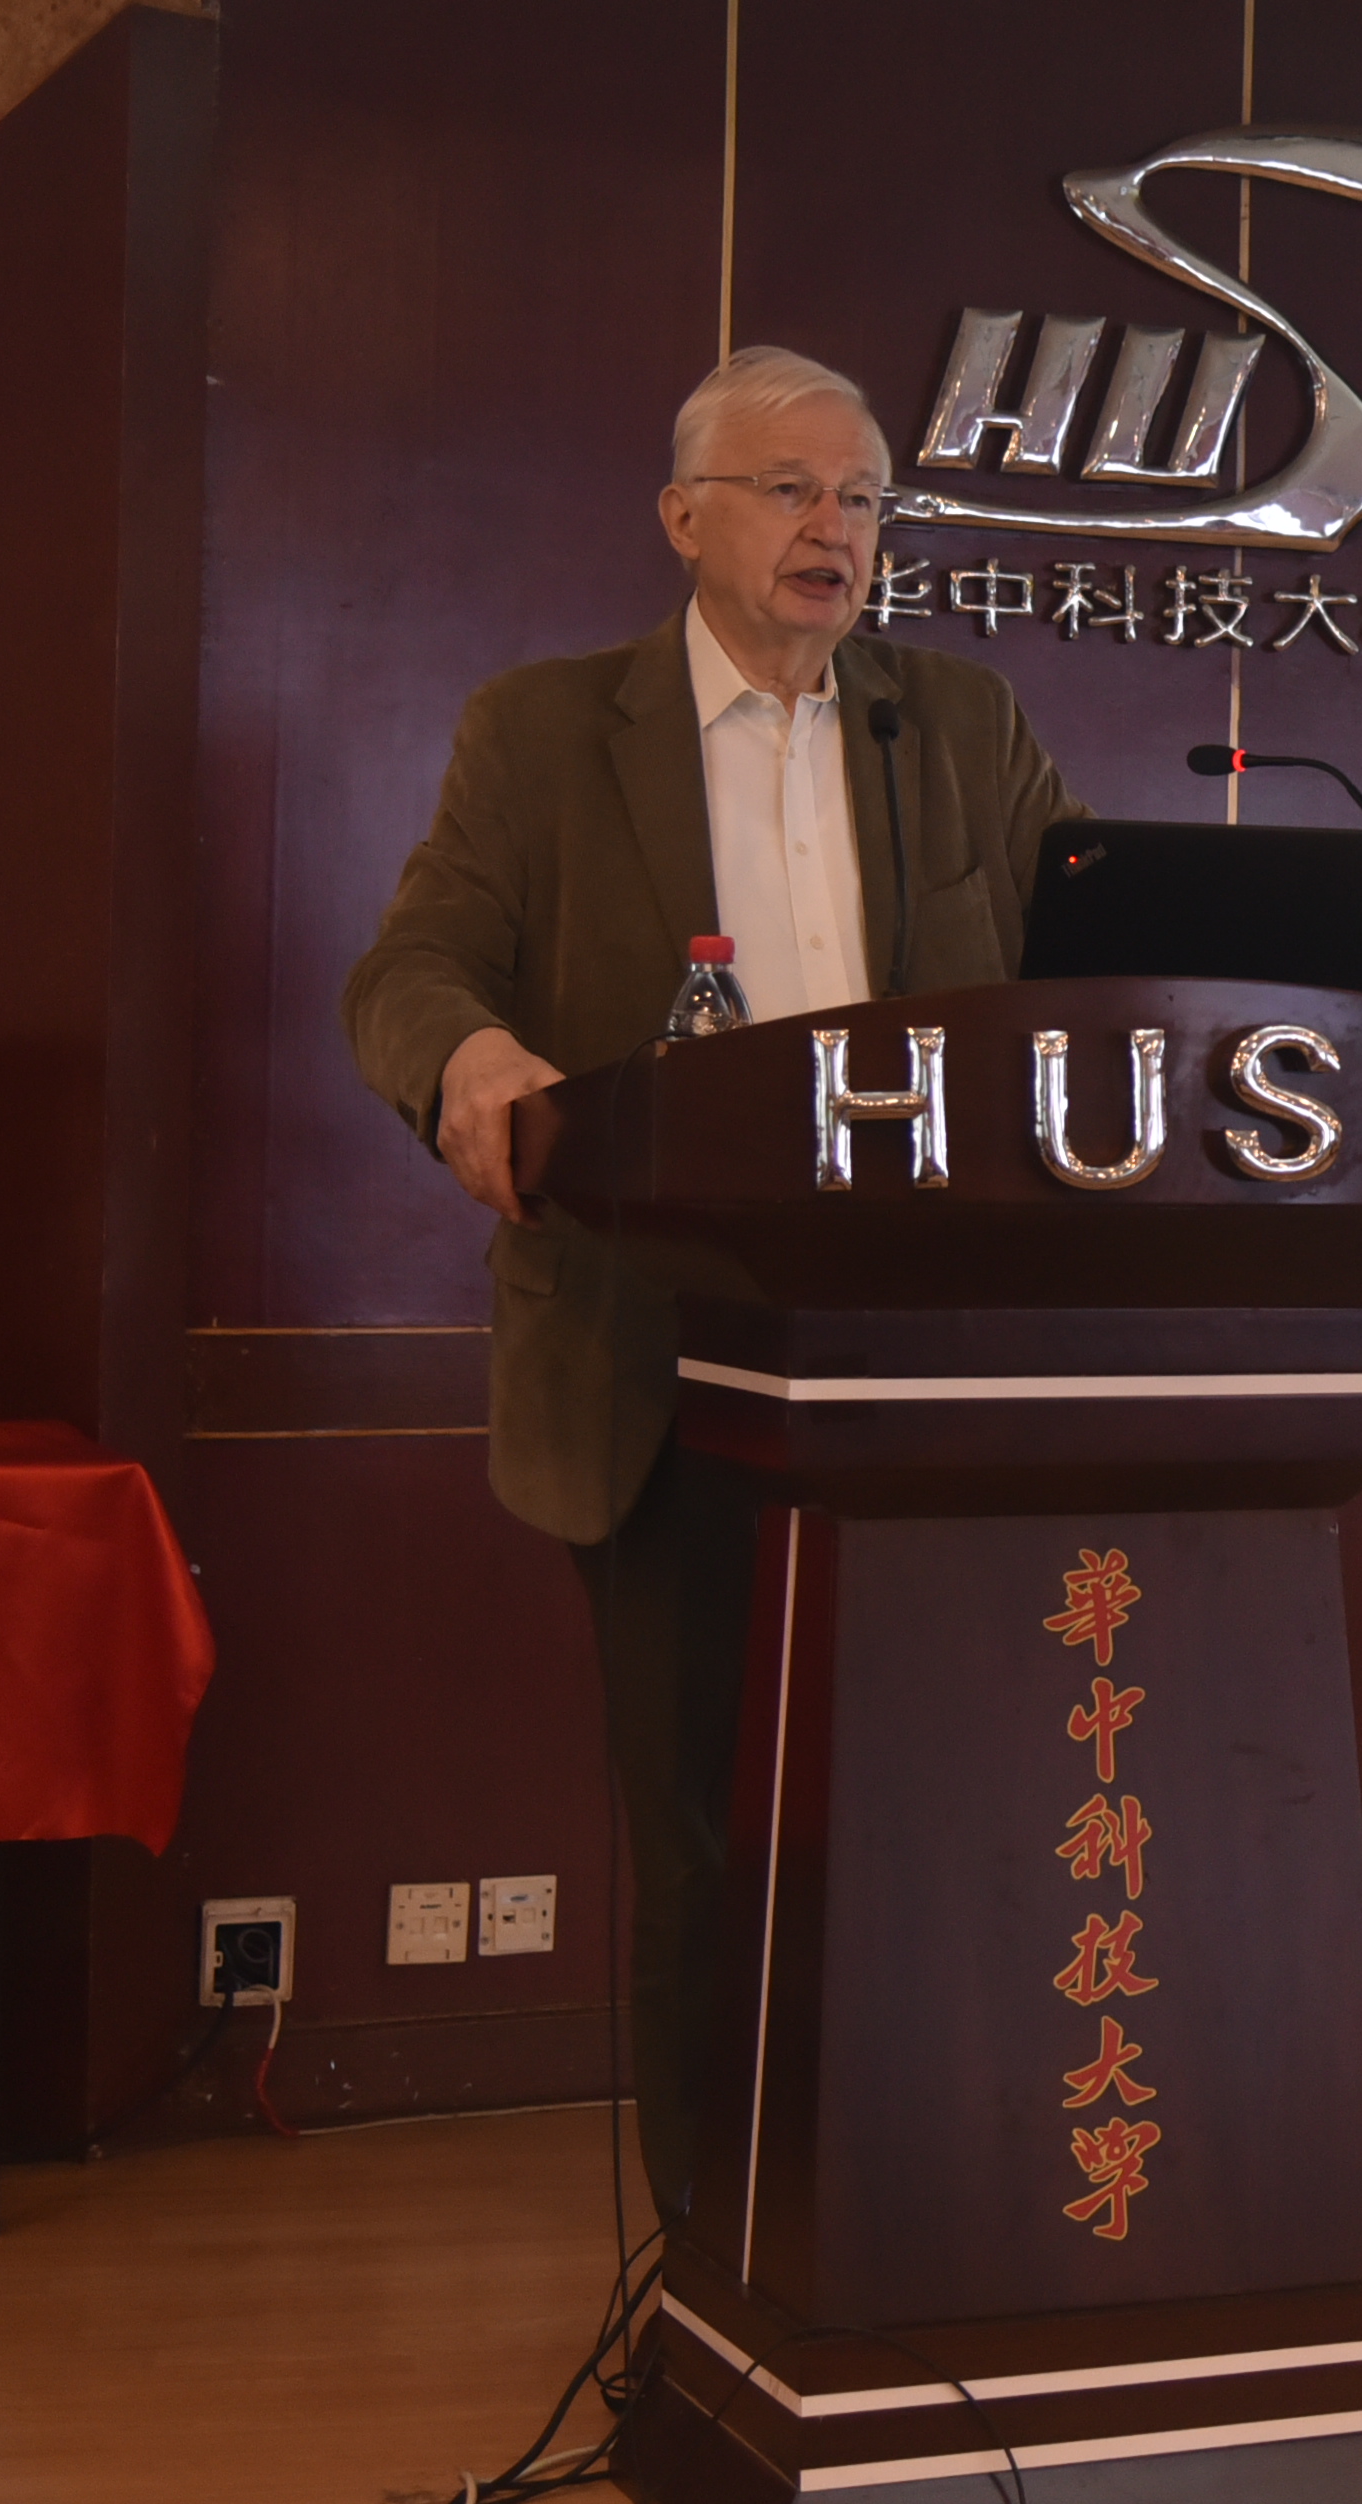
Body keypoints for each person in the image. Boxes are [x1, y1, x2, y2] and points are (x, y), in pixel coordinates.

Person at [342, 347, 1085, 2229]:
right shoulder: (543, 732)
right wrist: (474, 1061)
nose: (836, 528)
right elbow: (413, 966)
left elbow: (1089, 972)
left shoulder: (960, 723)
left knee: (938, 1817)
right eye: (792, 489)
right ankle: (717, 2249)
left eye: (865, 498)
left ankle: (932, 2212)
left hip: (924, 1363)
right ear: (685, 518)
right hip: (658, 1356)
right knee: (702, 1840)